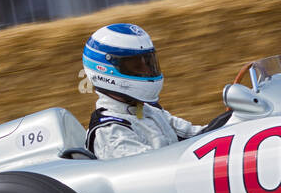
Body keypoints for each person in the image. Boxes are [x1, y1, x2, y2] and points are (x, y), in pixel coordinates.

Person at [82, 23, 201, 159]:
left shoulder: (148, 110)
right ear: (104, 70)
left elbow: (197, 134)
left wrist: (228, 122)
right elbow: (155, 170)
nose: (147, 71)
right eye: (137, 65)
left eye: (148, 63)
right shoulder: (111, 132)